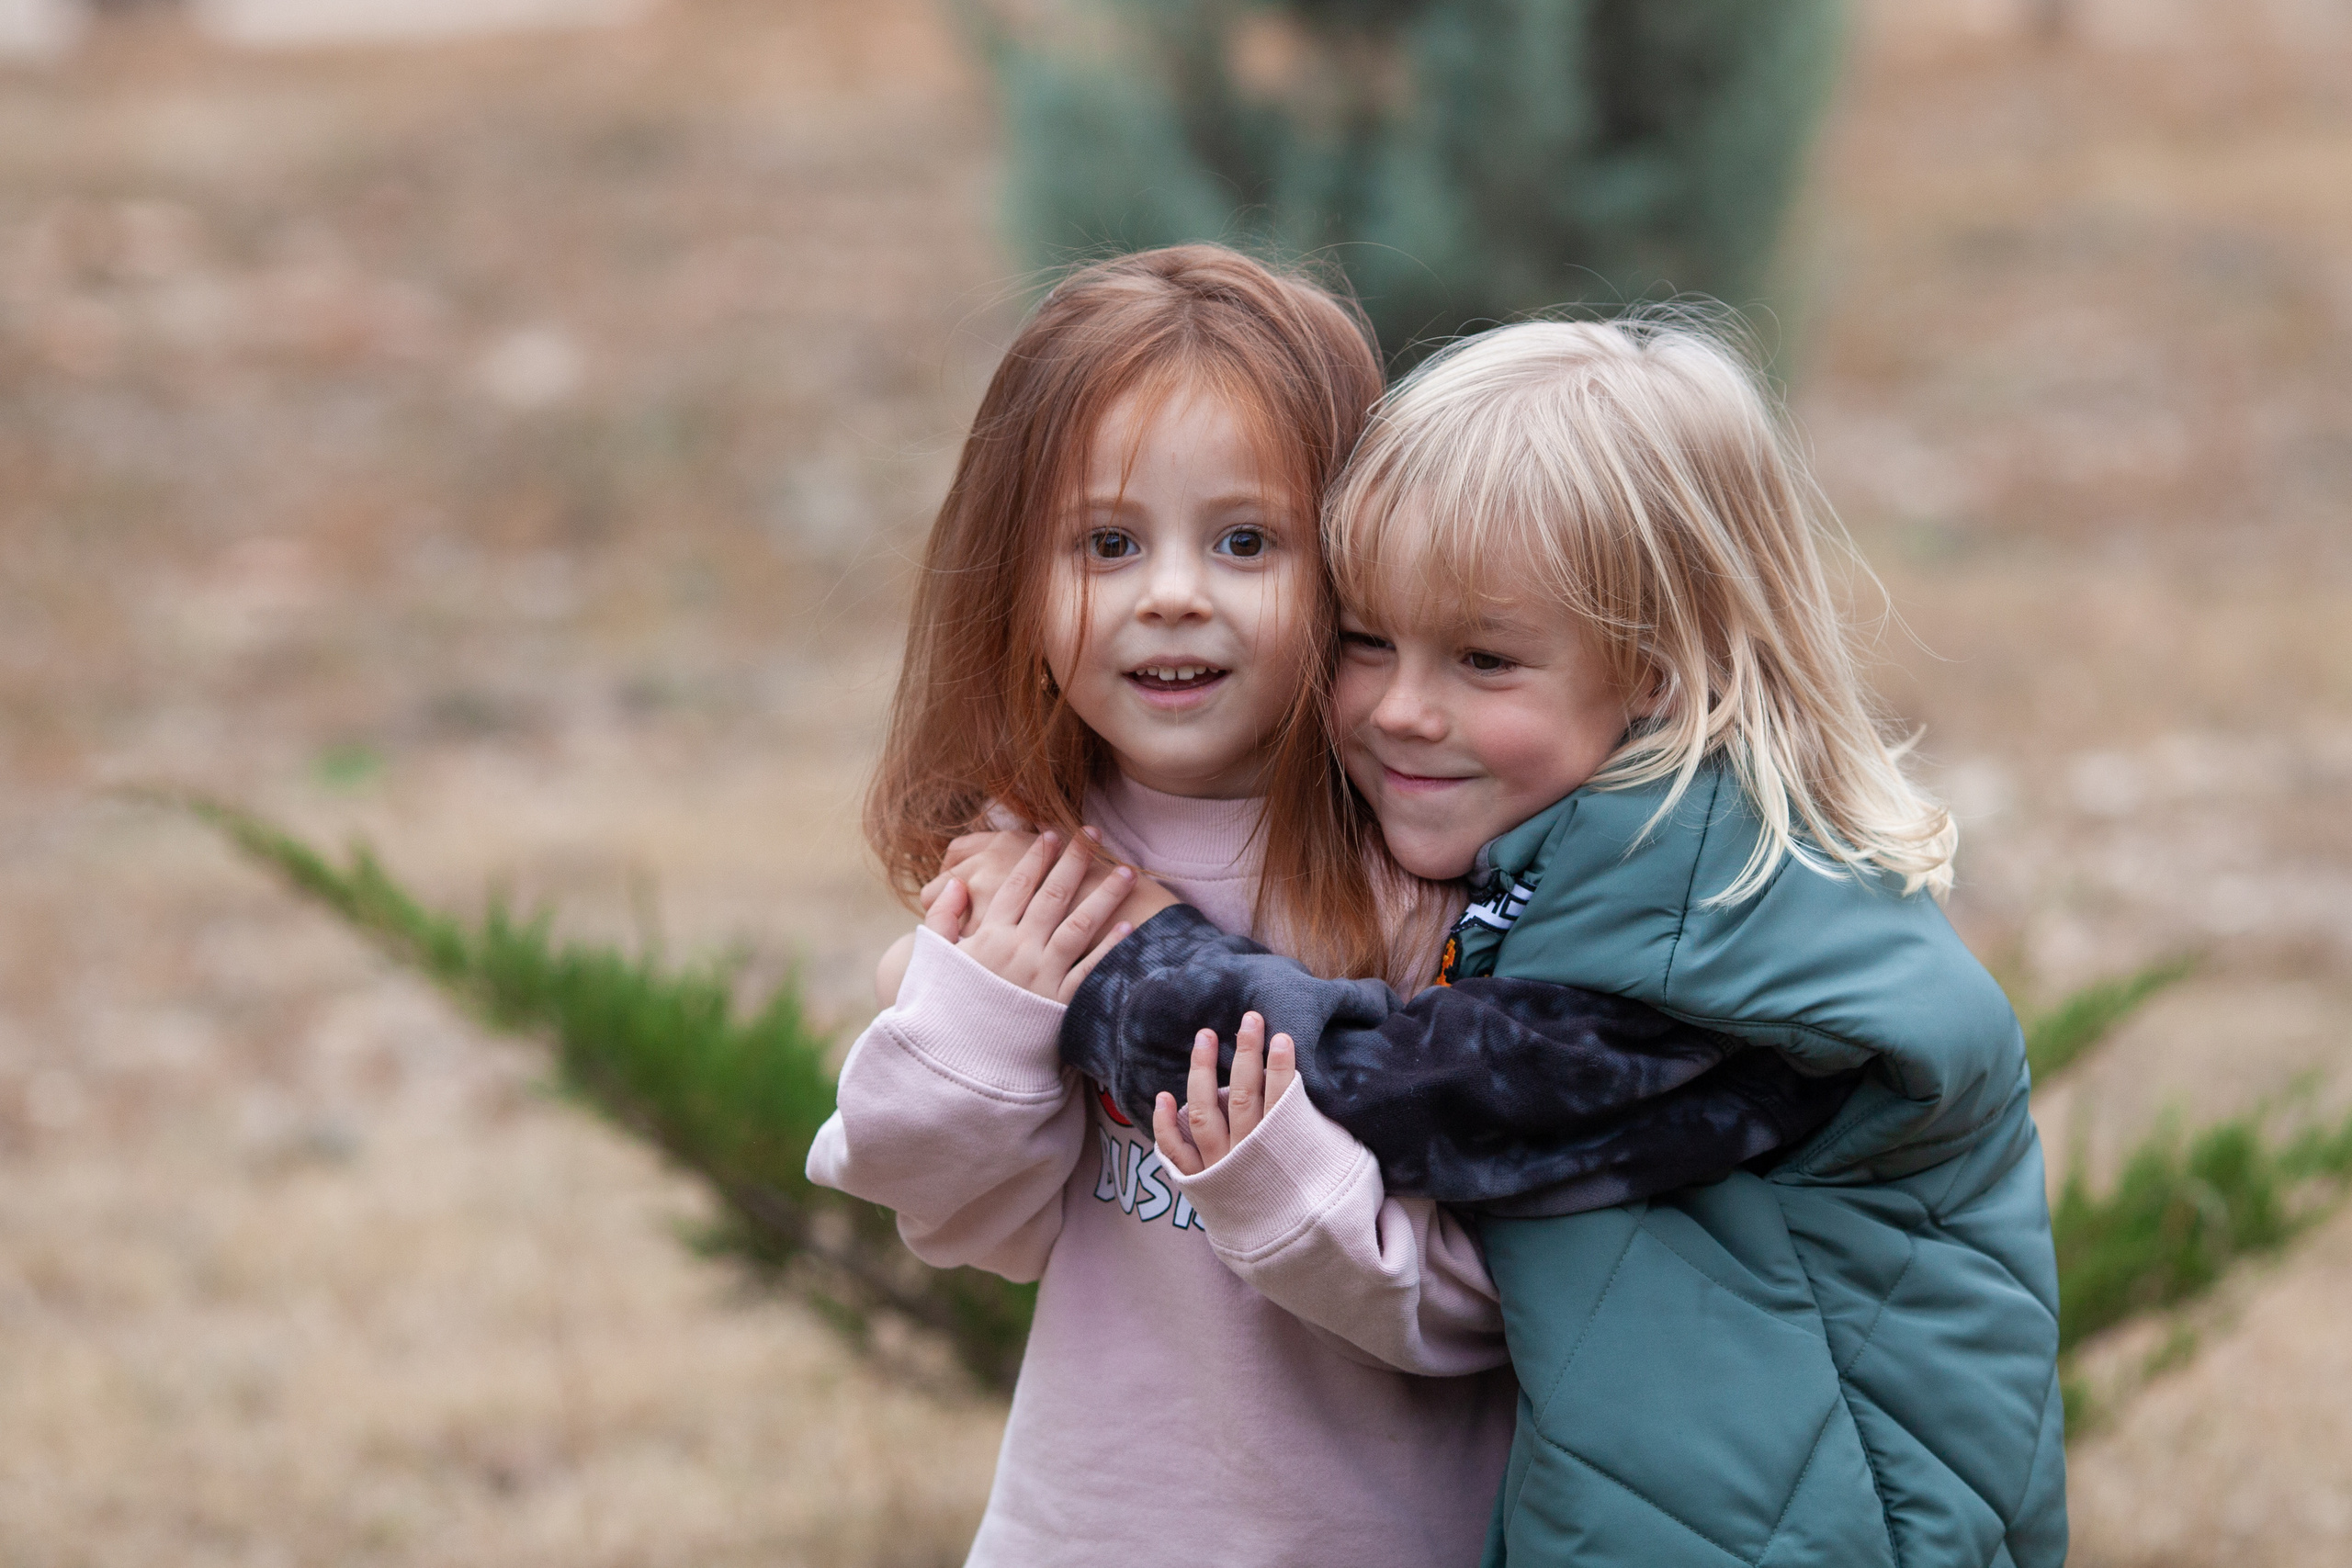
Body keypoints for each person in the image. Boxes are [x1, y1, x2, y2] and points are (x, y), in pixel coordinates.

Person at [1054, 317, 2068, 1567]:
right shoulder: (1625, 848)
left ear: (1657, 666)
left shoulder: (1721, 921)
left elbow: (1393, 1097)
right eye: (1367, 639)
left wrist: (1107, 953)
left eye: (1485, 659)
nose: (1402, 710)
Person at [806, 243, 1531, 1568]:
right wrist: (982, 1009)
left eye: (1246, 539)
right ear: (1017, 581)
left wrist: (1277, 1187)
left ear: (1358, 564)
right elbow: (967, 1218)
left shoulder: (1436, 879)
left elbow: (1485, 1301)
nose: (1174, 591)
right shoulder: (1036, 871)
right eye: (1108, 543)